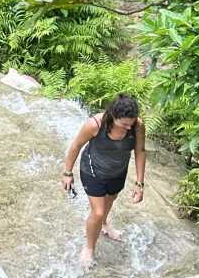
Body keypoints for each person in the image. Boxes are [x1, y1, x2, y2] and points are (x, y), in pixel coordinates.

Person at [62, 93, 146, 268]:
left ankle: (105, 225)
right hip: (92, 170)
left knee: (110, 200)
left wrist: (139, 183)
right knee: (98, 212)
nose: (128, 128)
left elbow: (140, 151)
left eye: (131, 124)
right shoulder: (95, 124)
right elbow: (76, 145)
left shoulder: (137, 126)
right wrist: (67, 172)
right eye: (124, 124)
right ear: (113, 116)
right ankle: (89, 248)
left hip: (117, 171)